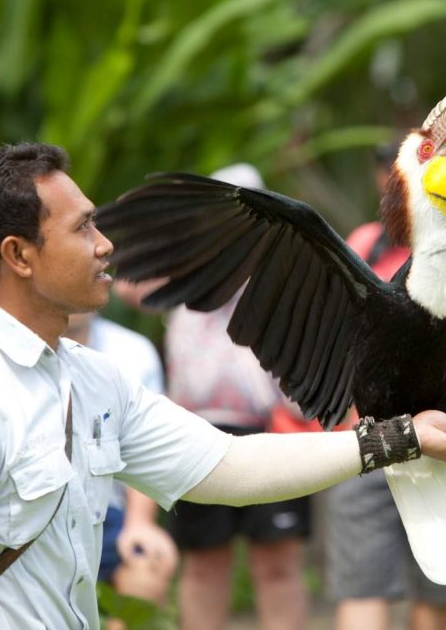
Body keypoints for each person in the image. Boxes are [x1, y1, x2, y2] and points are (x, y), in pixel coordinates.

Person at [0, 142, 446, 630]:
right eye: (82, 229)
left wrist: (404, 438)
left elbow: (226, 464)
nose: (106, 245)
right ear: (19, 256)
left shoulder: (94, 378)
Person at [323, 146, 446, 630]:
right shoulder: (365, 242)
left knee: (437, 592)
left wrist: (428, 308)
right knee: (362, 586)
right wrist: (409, 308)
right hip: (369, 432)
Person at [160, 163, 311, 630]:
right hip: (195, 427)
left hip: (273, 427)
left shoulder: (287, 266)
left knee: (278, 561)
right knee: (204, 560)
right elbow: (128, 280)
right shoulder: (184, 261)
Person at [65, 311, 178, 622]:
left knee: (146, 565)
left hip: (109, 511)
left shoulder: (132, 351)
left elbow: (150, 447)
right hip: (37, 515)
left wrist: (140, 523)